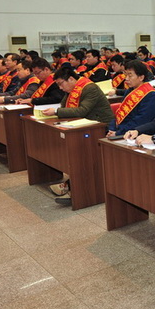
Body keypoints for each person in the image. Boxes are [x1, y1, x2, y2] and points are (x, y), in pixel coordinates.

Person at [42, 67, 115, 205]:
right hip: (84, 126)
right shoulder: (71, 90)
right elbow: (64, 106)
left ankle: (78, 189)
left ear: (71, 79)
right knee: (75, 152)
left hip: (101, 127)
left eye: (61, 84)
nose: (60, 88)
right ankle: (72, 185)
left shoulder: (89, 88)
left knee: (81, 154)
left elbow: (82, 110)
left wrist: (56, 111)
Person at [106, 60, 155, 137]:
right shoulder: (130, 91)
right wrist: (112, 129)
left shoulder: (151, 95)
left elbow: (141, 121)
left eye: (130, 75)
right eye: (126, 75)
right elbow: (119, 113)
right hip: (122, 131)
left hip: (137, 134)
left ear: (141, 77)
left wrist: (118, 133)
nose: (126, 79)